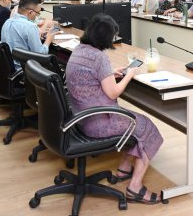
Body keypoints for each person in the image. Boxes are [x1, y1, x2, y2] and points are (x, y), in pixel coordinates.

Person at [65, 14, 163, 204]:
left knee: (137, 124)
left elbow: (90, 77)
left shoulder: (79, 49)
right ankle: (135, 188)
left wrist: (109, 74)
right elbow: (113, 93)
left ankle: (124, 169)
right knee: (147, 126)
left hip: (80, 118)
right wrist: (130, 74)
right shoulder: (99, 57)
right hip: (98, 121)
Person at [1, 0, 56, 64]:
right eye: (38, 13)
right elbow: (40, 55)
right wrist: (48, 39)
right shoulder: (30, 26)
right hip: (25, 67)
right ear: (30, 12)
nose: (37, 16)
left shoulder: (7, 22)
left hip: (9, 64)